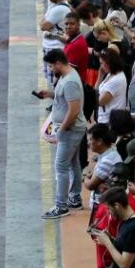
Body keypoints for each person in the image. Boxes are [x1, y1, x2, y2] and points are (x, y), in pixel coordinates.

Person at [40, 49, 86, 217]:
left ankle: (61, 205)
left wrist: (62, 130)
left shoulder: (70, 82)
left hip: (70, 130)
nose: (51, 69)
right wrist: (50, 94)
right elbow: (65, 99)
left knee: (61, 166)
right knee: (73, 164)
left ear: (58, 63)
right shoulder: (67, 77)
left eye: (51, 66)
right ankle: (74, 198)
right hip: (71, 129)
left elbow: (73, 111)